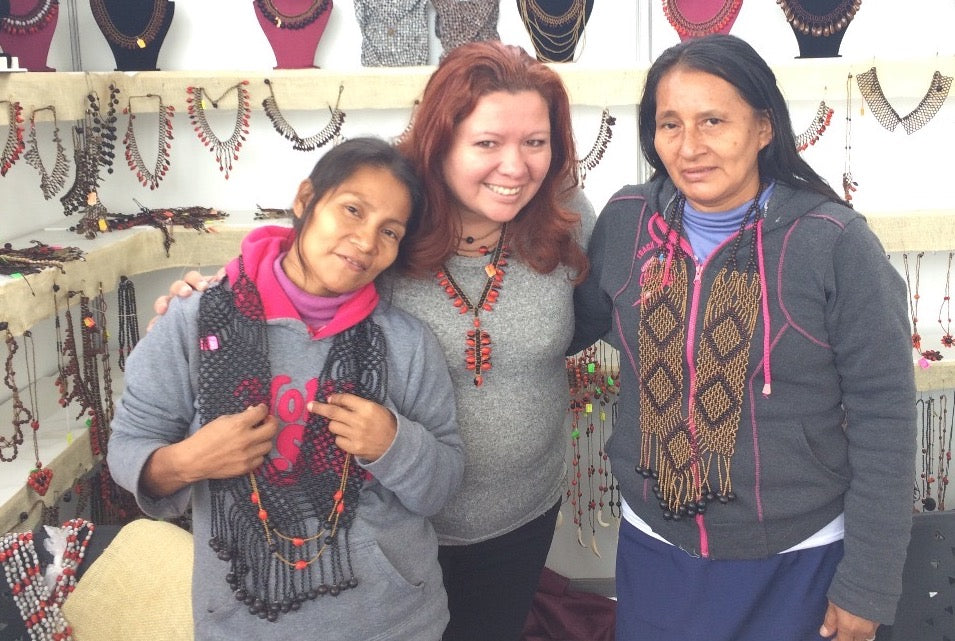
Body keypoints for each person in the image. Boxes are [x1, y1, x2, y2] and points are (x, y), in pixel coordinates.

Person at [152, 40, 595, 641]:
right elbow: (296, 268)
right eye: (487, 143)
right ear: (441, 142)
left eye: (535, 143)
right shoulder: (392, 215)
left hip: (519, 514)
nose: (514, 167)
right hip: (378, 533)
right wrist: (207, 300)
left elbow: (592, 316)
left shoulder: (565, 214)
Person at [571, 34, 915, 641]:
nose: (690, 147)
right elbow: (566, 324)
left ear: (763, 128)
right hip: (657, 543)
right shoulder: (627, 222)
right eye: (669, 124)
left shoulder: (833, 244)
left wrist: (868, 584)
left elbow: (884, 417)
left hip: (797, 554)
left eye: (713, 121)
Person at [108, 137, 465, 641]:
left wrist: (393, 444)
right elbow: (127, 447)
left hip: (392, 622)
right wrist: (190, 461)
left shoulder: (405, 342)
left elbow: (443, 484)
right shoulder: (196, 322)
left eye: (389, 231)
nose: (365, 241)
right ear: (305, 200)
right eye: (352, 210)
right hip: (244, 625)